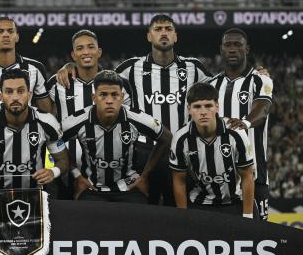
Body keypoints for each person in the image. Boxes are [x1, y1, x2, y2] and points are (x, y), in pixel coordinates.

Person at [55, 14, 210, 206]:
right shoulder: (130, 67)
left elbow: (214, 93)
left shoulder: (194, 68)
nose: (163, 33)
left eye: (168, 29)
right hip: (145, 152)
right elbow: (102, 77)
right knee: (148, 208)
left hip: (182, 149)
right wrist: (73, 66)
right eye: (158, 29)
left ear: (176, 36)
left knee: (180, 206)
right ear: (149, 36)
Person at [62, 70, 171, 202]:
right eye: (103, 95)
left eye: (115, 95)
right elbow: (53, 142)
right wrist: (77, 175)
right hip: (92, 188)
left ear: (122, 97)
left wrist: (144, 176)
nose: (109, 100)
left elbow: (166, 138)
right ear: (94, 98)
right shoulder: (77, 120)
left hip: (130, 187)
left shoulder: (136, 118)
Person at [0, 69, 68, 195]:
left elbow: (63, 160)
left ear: (29, 95)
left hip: (35, 196)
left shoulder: (47, 121)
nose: (15, 97)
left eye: (21, 91)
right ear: (1, 97)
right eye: (9, 92)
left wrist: (53, 172)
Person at [207, 28, 273, 220]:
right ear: (221, 49)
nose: (233, 49)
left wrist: (244, 122)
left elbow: (262, 108)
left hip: (255, 175)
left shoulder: (261, 80)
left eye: (238, 45)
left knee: (259, 238)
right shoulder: (211, 85)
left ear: (247, 49)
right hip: (218, 179)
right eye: (228, 45)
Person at [169, 82, 256, 218]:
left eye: (208, 106)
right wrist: (183, 216)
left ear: (217, 107)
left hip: (236, 203)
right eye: (197, 107)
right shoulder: (181, 139)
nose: (203, 112)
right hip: (200, 205)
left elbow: (247, 176)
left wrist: (248, 215)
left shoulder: (235, 133)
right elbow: (179, 180)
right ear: (189, 109)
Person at [46, 29, 103, 199]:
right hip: (65, 167)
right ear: (73, 54)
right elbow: (43, 116)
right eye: (80, 48)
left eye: (90, 47)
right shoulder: (57, 84)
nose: (85, 52)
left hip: (104, 168)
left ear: (99, 52)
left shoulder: (113, 83)